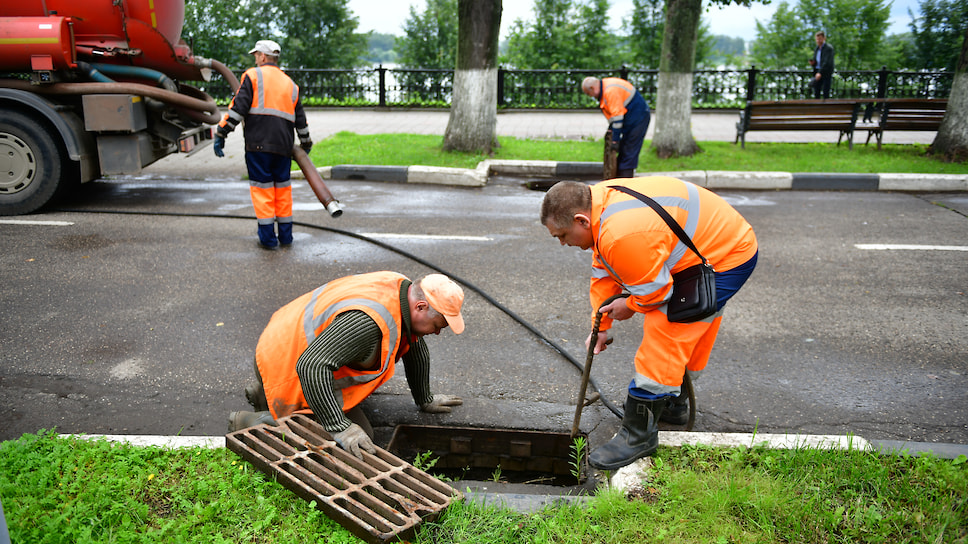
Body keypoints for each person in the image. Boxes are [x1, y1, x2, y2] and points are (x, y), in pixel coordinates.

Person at [540, 177, 758, 470]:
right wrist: (601, 324)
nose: (563, 243)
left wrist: (628, 305)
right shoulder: (600, 206)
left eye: (562, 235)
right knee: (675, 325)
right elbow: (604, 270)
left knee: (668, 329)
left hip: (725, 256)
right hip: (699, 246)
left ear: (581, 220)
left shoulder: (621, 233)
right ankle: (673, 404)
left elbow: (656, 294)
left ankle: (639, 436)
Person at [228, 271, 466, 459]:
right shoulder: (368, 322)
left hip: (283, 345)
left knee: (352, 425)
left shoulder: (401, 290)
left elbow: (413, 345)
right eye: (438, 325)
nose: (436, 333)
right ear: (421, 307)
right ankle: (253, 422)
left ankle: (263, 393)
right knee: (359, 441)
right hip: (288, 365)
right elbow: (311, 366)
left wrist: (425, 398)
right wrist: (339, 426)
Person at [213, 39, 313, 249]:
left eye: (256, 55)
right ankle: (286, 238)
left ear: (264, 57)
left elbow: (238, 109)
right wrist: (306, 143)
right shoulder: (290, 84)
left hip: (258, 146)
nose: (255, 59)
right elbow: (300, 119)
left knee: (263, 192)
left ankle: (268, 240)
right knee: (282, 192)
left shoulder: (253, 76)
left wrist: (222, 133)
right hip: (284, 148)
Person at [581, 77, 651, 179]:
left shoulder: (610, 91)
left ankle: (625, 184)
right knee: (624, 152)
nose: (590, 96)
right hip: (633, 117)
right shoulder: (606, 87)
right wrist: (612, 131)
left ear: (592, 88)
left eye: (588, 93)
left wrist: (615, 141)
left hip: (638, 118)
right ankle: (621, 181)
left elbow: (618, 118)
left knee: (629, 153)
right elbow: (614, 116)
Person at [812, 31, 835, 99]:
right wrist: (813, 63)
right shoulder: (817, 48)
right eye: (817, 39)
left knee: (825, 91)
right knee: (816, 91)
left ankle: (826, 108)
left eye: (820, 39)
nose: (818, 41)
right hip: (817, 71)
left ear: (824, 38)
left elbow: (827, 62)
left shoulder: (828, 48)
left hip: (825, 73)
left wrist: (820, 72)